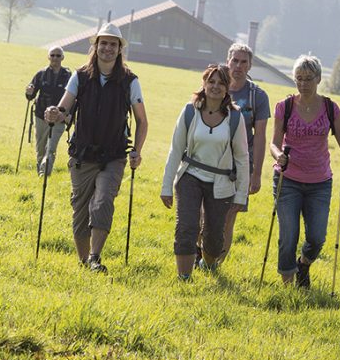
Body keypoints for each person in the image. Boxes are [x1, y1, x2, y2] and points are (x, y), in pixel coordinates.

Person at [44, 23, 147, 274]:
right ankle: (83, 261)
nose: (108, 48)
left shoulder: (130, 81)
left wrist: (138, 151)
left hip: (114, 155)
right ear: (96, 46)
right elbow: (64, 108)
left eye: (113, 44)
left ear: (120, 49)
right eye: (104, 43)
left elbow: (142, 120)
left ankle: (94, 257)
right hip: (82, 153)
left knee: (102, 202)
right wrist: (54, 114)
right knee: (80, 210)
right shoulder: (80, 76)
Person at [269, 54, 340, 289]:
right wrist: (280, 156)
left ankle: (304, 264)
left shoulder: (330, 107)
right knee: (288, 235)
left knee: (317, 238)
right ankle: (288, 288)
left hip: (319, 182)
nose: (303, 83)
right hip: (287, 179)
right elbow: (273, 144)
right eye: (299, 78)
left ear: (318, 79)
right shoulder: (284, 107)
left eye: (308, 78)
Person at [161, 65, 249, 280]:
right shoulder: (190, 111)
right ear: (204, 84)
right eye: (211, 82)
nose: (215, 87)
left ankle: (208, 264)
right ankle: (184, 277)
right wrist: (166, 187)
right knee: (186, 226)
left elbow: (243, 158)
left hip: (221, 183)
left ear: (228, 88)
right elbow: (175, 149)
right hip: (190, 176)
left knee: (214, 238)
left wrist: (241, 194)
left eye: (221, 83)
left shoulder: (235, 118)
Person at [201, 43, 270, 263]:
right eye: (235, 61)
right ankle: (199, 255)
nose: (238, 66)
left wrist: (256, 174)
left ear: (250, 66)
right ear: (227, 61)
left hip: (239, 165)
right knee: (203, 214)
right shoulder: (213, 85)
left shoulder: (257, 96)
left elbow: (260, 136)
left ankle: (216, 263)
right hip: (209, 158)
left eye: (244, 62)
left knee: (228, 216)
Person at [25, 46, 72, 176]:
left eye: (58, 55)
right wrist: (28, 92)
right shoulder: (41, 74)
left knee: (50, 148)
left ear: (62, 57)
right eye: (52, 55)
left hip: (59, 118)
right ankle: (40, 169)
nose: (55, 58)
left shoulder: (68, 76)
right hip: (41, 116)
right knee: (41, 148)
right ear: (48, 57)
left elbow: (74, 97)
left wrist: (68, 116)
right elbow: (31, 95)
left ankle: (44, 173)